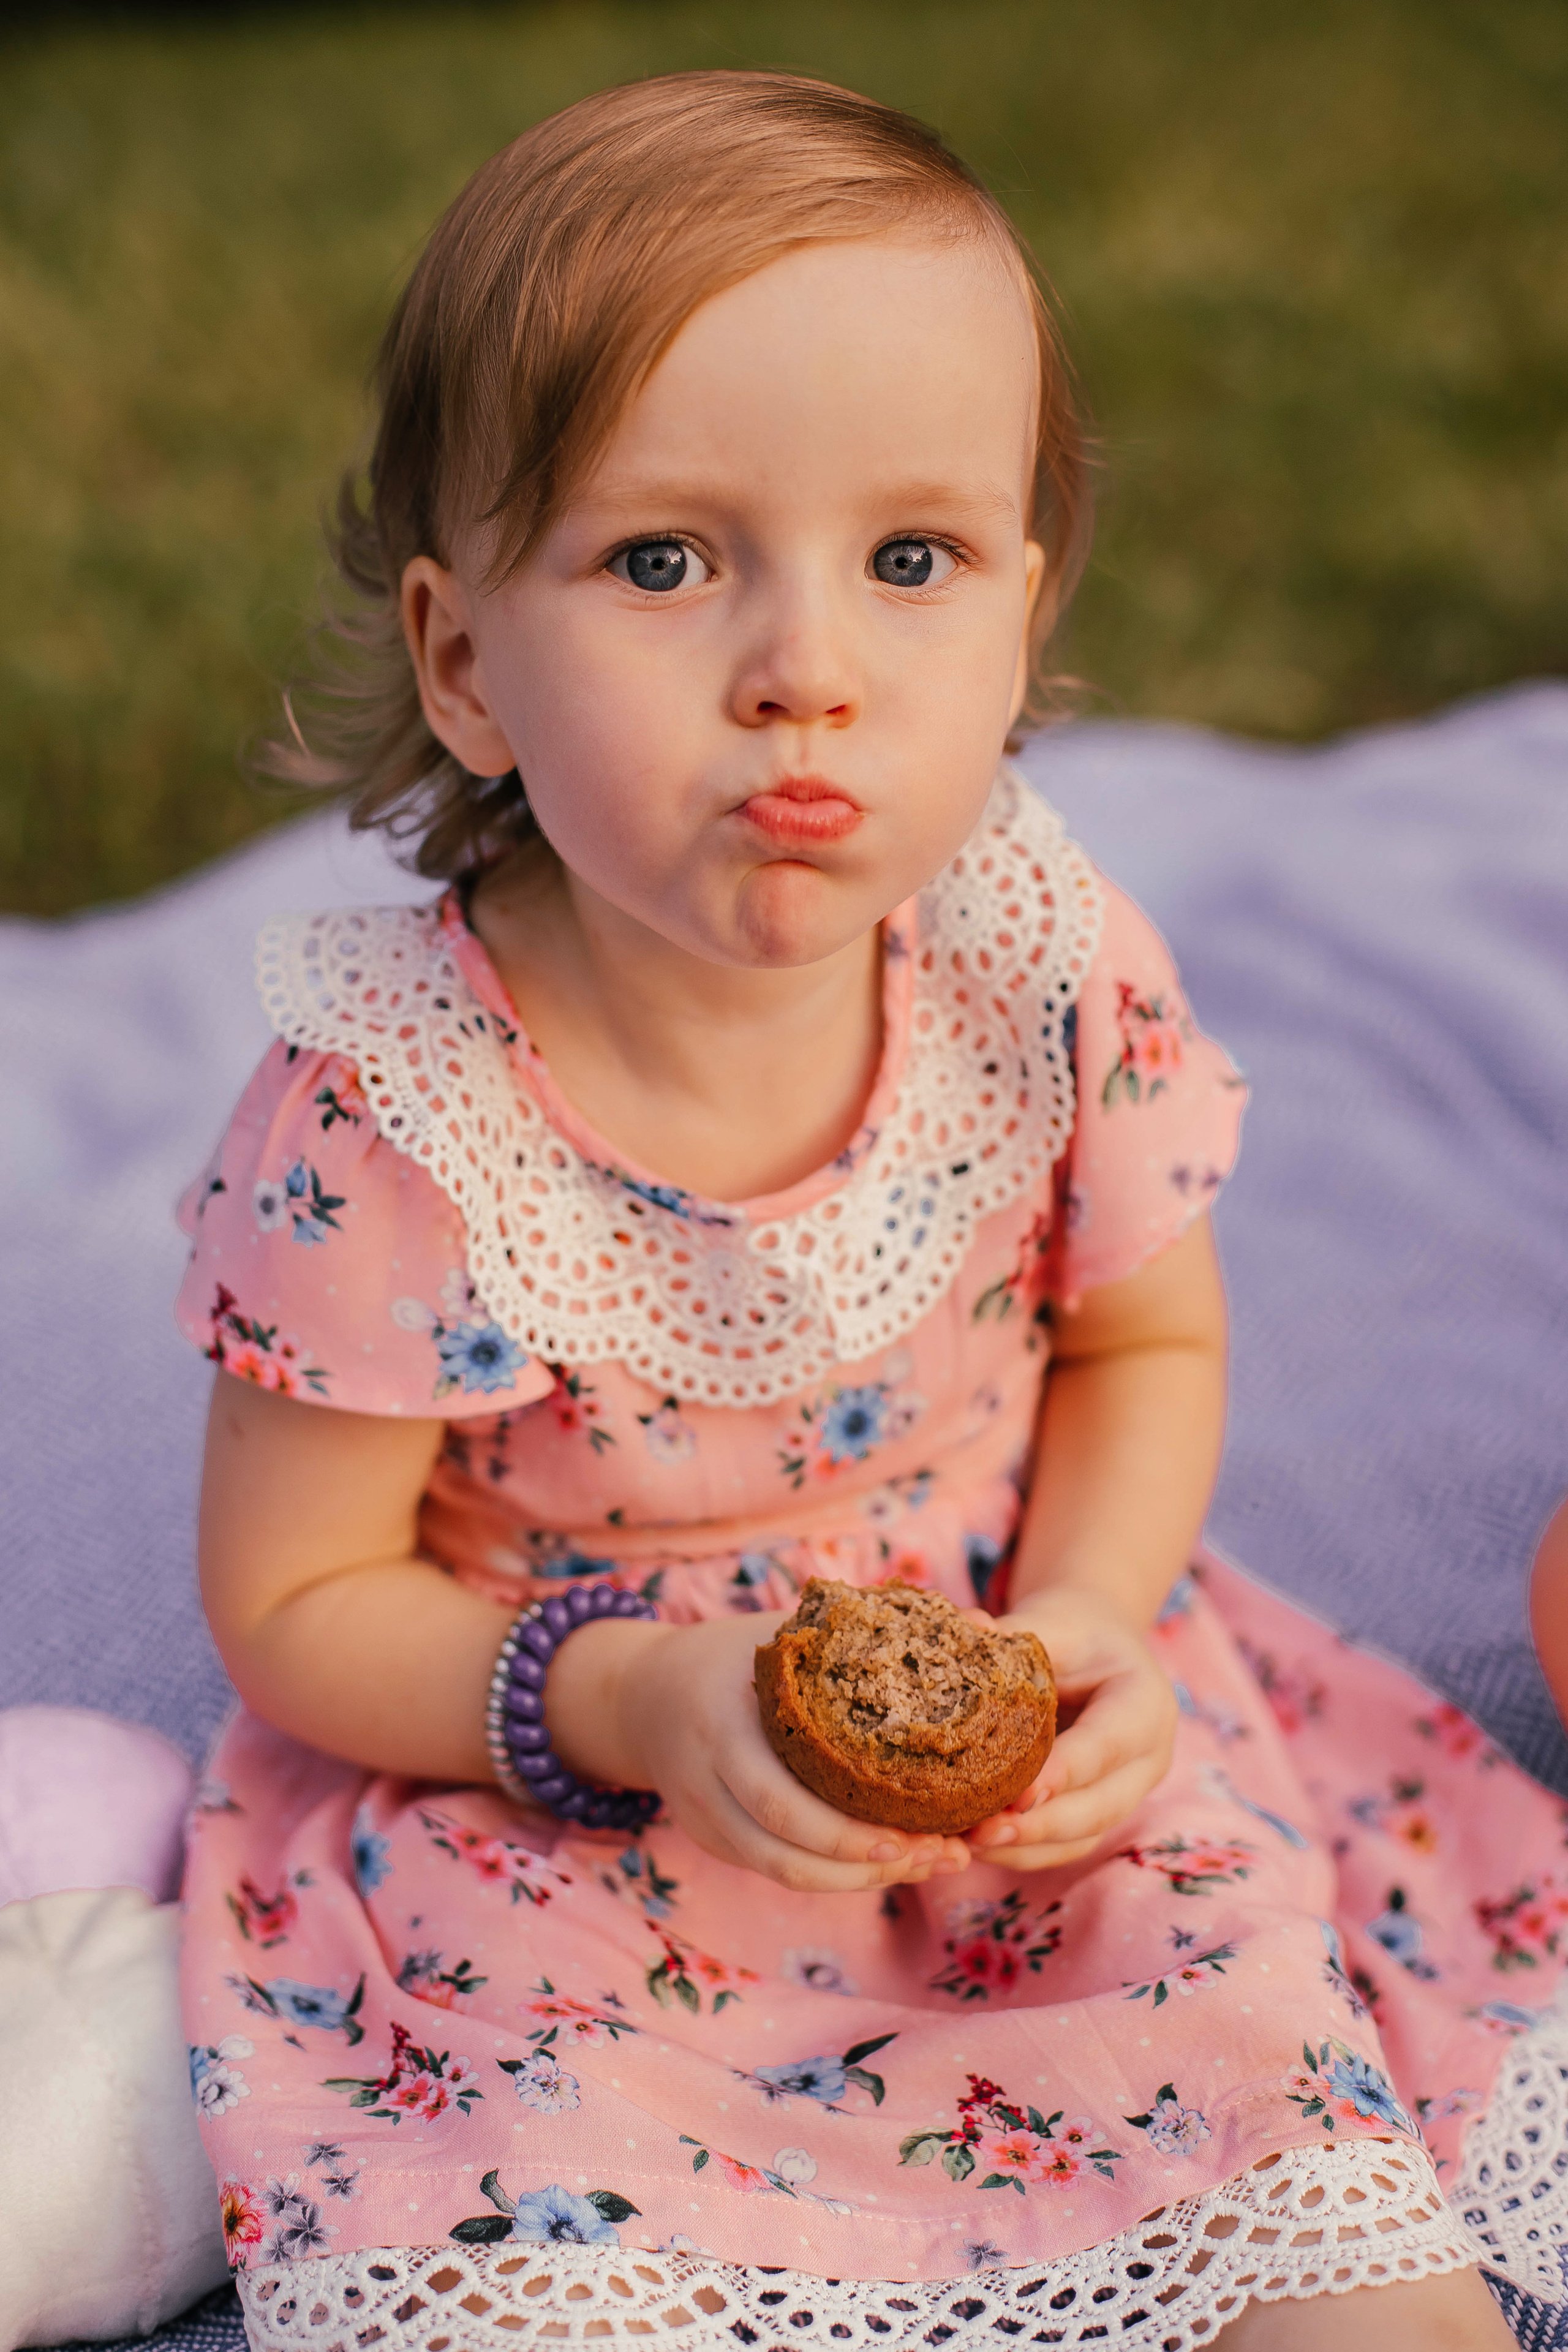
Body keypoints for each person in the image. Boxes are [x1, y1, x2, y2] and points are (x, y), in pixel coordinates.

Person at [171, 72, 1558, 2352]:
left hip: (1022, 1735)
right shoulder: (388, 1116)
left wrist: (1095, 1621)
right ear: (459, 664)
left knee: (1305, 2198)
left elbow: (1145, 1345)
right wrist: (621, 1699)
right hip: (574, 1802)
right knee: (555, 2254)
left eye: (911, 561)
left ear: (1021, 613)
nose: (805, 662)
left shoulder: (1044, 967)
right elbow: (300, 1601)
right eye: (662, 558)